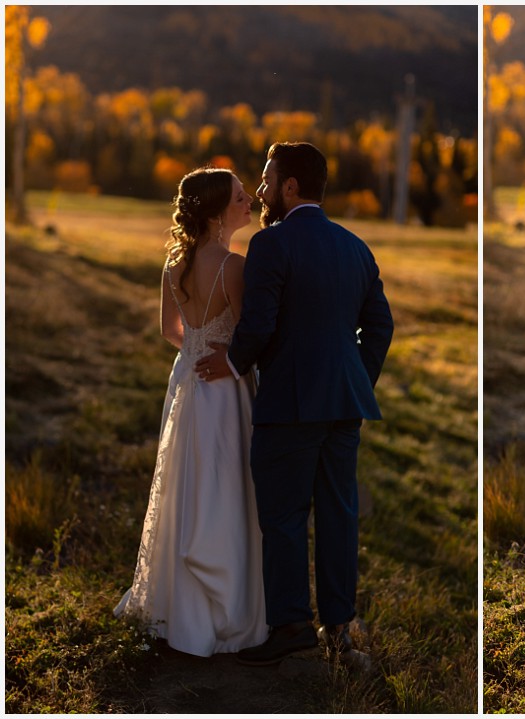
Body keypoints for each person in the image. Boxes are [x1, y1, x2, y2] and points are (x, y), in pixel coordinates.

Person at [195, 141, 394, 666]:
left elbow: (258, 324)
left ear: (289, 186)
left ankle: (290, 626)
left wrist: (234, 363)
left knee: (283, 516)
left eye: (266, 179)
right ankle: (339, 625)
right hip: (344, 404)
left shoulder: (271, 244)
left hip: (288, 404)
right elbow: (380, 326)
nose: (259, 190)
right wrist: (354, 376)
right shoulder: (355, 246)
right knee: (338, 514)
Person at [115, 167, 269, 657]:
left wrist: (195, 350)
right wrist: (221, 353)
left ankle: (179, 607)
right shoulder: (234, 267)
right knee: (225, 485)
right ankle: (225, 609)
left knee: (187, 484)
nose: (250, 204)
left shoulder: (173, 266)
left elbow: (168, 330)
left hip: (187, 383)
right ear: (219, 211)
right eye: (242, 198)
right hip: (225, 390)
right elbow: (248, 339)